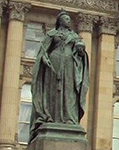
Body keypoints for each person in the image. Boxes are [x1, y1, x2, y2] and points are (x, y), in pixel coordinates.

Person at [29, 10, 89, 141]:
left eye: (69, 19)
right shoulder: (52, 34)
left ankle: (69, 118)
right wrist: (44, 59)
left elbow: (81, 54)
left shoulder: (74, 36)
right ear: (60, 21)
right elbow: (43, 51)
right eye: (66, 19)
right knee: (54, 91)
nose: (68, 21)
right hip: (54, 63)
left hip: (69, 65)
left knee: (69, 90)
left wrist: (81, 52)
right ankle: (52, 116)